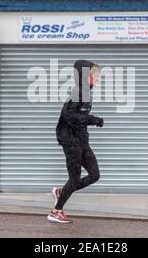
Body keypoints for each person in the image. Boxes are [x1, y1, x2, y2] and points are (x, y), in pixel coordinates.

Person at [47, 60, 103, 223]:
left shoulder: (85, 92)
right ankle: (56, 211)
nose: (98, 78)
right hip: (71, 141)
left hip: (81, 141)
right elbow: (68, 115)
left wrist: (88, 124)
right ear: (85, 75)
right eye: (95, 75)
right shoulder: (78, 92)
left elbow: (78, 117)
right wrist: (93, 119)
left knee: (94, 175)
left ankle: (61, 192)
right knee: (74, 177)